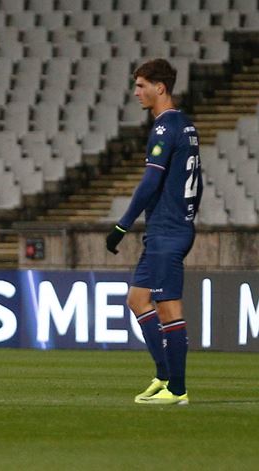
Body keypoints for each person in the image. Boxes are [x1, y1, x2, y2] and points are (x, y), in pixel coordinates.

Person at [105, 59, 202, 405]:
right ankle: (163, 375)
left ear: (160, 87)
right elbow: (198, 180)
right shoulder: (185, 125)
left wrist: (122, 225)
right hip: (168, 229)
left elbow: (150, 182)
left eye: (141, 85)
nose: (136, 92)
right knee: (138, 299)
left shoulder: (164, 128)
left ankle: (177, 389)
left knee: (169, 308)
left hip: (167, 232)